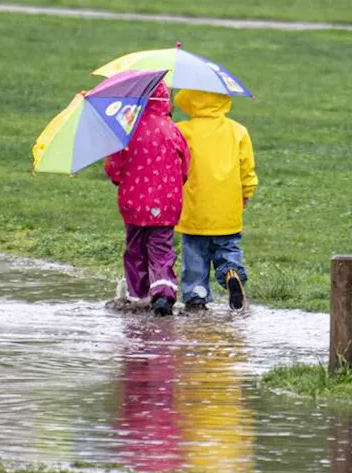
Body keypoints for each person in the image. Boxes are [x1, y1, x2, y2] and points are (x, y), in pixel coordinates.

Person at [103, 83, 191, 317]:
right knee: (161, 248)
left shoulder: (127, 129)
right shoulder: (172, 129)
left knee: (135, 249)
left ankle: (138, 295)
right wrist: (176, 183)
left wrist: (117, 178)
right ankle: (163, 292)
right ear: (166, 102)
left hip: (134, 204)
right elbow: (185, 165)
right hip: (166, 204)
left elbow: (114, 165)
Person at [173, 89, 258, 311]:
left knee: (195, 254)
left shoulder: (182, 130)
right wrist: (246, 193)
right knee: (228, 246)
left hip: (194, 207)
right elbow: (246, 168)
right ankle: (232, 272)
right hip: (228, 206)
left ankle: (195, 296)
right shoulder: (238, 131)